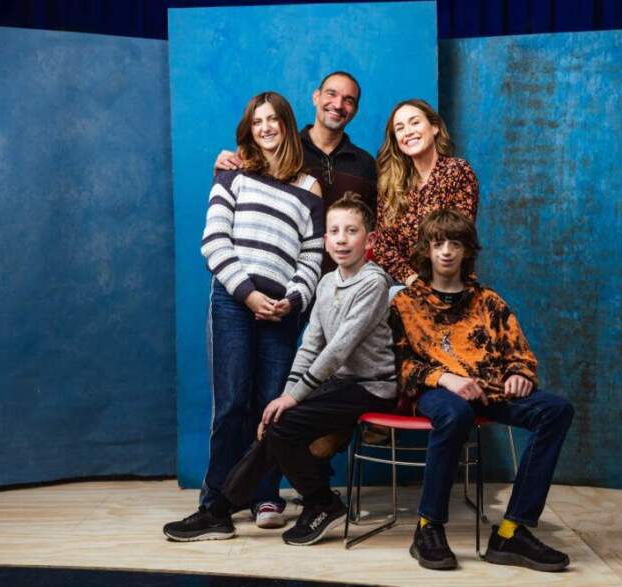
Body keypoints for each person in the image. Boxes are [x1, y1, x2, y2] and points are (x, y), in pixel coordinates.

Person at [165, 193, 397, 546]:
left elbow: (338, 350)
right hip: (338, 385)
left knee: (283, 424)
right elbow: (310, 346)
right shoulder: (326, 283)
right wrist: (286, 397)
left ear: (370, 239)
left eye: (352, 231)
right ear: (325, 241)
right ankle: (220, 511)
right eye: (334, 231)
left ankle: (320, 502)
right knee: (276, 422)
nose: (341, 239)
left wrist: (292, 398)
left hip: (372, 386)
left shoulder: (373, 282)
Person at [390, 209, 574, 572]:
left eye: (455, 243)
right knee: (456, 413)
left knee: (557, 409)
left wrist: (519, 374)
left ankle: (511, 532)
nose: (446, 251)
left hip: (491, 391)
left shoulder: (488, 301)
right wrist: (445, 379)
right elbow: (398, 365)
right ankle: (428, 528)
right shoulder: (406, 303)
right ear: (426, 250)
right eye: (438, 243)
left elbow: (519, 354)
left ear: (467, 250)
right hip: (437, 392)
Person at [198, 91, 324, 529]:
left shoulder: (309, 187)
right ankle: (215, 498)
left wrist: (292, 300)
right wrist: (248, 294)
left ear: (288, 125)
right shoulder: (231, 174)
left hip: (281, 311)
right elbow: (214, 242)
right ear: (249, 130)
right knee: (232, 401)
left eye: (273, 120)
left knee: (272, 406)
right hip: (234, 302)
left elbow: (312, 258)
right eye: (257, 122)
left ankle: (264, 495)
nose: (266, 127)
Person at [215, 71, 377, 274]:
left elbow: (373, 231)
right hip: (289, 282)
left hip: (347, 284)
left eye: (348, 100)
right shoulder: (283, 152)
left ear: (355, 110)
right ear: (316, 96)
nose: (337, 105)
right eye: (331, 94)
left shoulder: (366, 165)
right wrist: (229, 162)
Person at [372, 99, 479, 285]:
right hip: (402, 283)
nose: (408, 132)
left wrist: (429, 289)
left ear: (434, 127)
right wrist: (412, 280)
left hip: (448, 281)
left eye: (415, 122)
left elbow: (458, 236)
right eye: (400, 128)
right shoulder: (391, 183)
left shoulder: (457, 171)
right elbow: (383, 246)